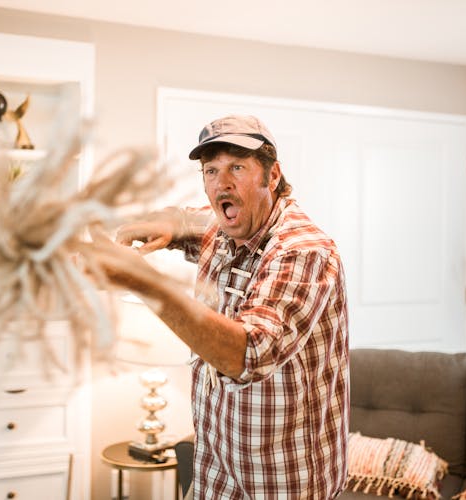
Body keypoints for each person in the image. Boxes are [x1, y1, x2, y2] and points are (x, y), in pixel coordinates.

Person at [90, 115, 349, 498]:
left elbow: (247, 354)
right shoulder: (226, 225)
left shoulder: (302, 250)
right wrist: (162, 223)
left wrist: (140, 279)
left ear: (272, 176)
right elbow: (191, 219)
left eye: (237, 168)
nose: (221, 183)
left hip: (284, 481)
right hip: (217, 471)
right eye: (211, 170)